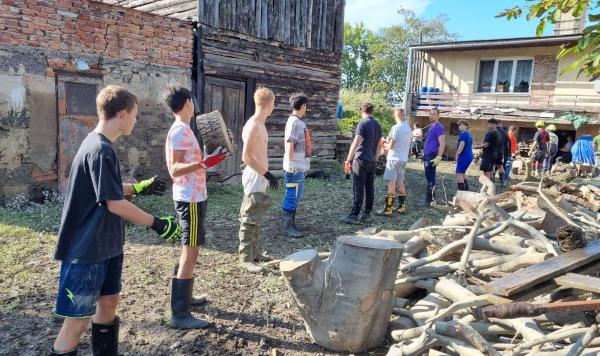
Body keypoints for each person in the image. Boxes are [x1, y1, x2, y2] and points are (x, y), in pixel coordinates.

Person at [50, 86, 183, 355]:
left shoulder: (103, 146)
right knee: (76, 322)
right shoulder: (99, 150)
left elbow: (107, 188)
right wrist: (157, 223)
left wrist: (138, 187)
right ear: (122, 114)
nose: (136, 120)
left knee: (109, 301)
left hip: (107, 246)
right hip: (86, 251)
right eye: (135, 114)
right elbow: (114, 203)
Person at [164, 86, 230, 329]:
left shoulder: (184, 129)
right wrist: (203, 163)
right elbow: (175, 168)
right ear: (188, 102)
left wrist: (208, 160)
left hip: (195, 196)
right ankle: (180, 314)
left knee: (190, 249)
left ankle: (185, 295)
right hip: (189, 198)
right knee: (191, 251)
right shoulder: (181, 130)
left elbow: (189, 164)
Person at [238, 87, 279, 273]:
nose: (273, 107)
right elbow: (246, 156)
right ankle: (245, 258)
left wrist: (266, 174)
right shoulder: (253, 125)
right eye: (273, 104)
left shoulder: (261, 124)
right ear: (269, 104)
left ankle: (254, 253)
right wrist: (266, 174)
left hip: (260, 174)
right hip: (255, 175)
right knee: (249, 216)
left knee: (256, 215)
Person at [340, 102, 383, 224]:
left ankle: (354, 215)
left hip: (361, 159)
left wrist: (348, 159)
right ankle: (367, 214)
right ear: (372, 111)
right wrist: (375, 158)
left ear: (362, 111)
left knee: (358, 188)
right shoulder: (377, 125)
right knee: (370, 188)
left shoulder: (363, 123)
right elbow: (379, 145)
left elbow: (356, 142)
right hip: (371, 161)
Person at [281, 93, 311, 238]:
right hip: (295, 167)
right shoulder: (294, 122)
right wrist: (291, 164)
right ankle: (287, 227)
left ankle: (292, 223)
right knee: (292, 195)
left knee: (296, 196)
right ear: (303, 106)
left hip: (300, 167)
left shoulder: (298, 122)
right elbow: (290, 144)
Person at [377, 107, 412, 216]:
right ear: (403, 115)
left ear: (396, 115)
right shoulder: (408, 128)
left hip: (394, 158)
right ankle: (402, 207)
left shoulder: (396, 128)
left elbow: (391, 146)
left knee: (391, 183)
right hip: (403, 159)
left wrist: (384, 144)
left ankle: (388, 209)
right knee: (400, 182)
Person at [421, 108, 445, 207]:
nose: (431, 116)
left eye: (434, 114)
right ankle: (430, 199)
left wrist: (439, 156)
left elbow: (442, 143)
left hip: (432, 155)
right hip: (427, 155)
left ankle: (430, 201)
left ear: (438, 116)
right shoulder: (432, 126)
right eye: (430, 114)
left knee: (430, 178)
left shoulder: (438, 127)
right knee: (429, 177)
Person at [478, 118, 501, 196]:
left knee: (486, 172)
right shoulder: (498, 133)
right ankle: (490, 187)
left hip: (488, 155)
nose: (489, 125)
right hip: (494, 154)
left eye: (491, 124)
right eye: (489, 124)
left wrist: (477, 146)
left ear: (495, 125)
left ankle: (487, 188)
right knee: (491, 172)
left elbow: (486, 145)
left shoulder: (491, 133)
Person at [454, 120, 473, 191]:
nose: (460, 126)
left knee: (458, 172)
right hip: (469, 155)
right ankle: (466, 188)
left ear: (466, 126)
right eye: (459, 125)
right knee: (462, 172)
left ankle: (461, 191)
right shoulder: (468, 134)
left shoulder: (463, 134)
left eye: (462, 125)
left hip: (464, 155)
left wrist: (457, 154)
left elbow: (462, 145)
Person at [495, 120, 509, 186]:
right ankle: (502, 182)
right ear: (500, 124)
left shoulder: (492, 131)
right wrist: (508, 153)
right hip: (501, 152)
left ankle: (492, 181)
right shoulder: (505, 133)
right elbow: (507, 145)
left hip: (492, 151)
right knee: (500, 166)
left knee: (492, 166)